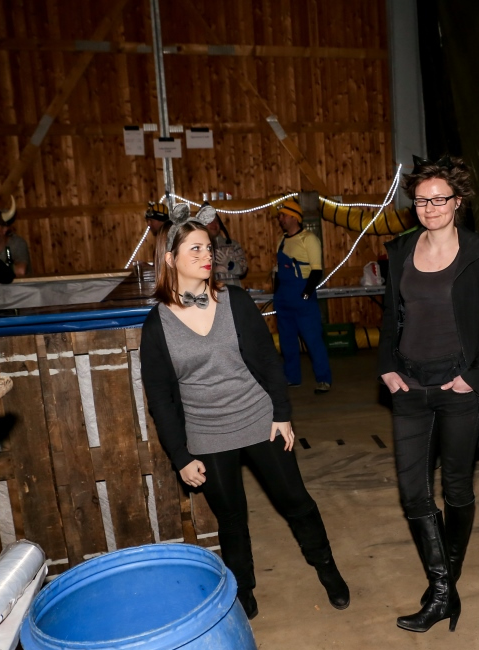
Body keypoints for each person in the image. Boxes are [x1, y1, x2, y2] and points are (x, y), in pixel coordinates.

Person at [140, 202, 349, 620]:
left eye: (208, 248)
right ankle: (244, 590)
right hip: (207, 432)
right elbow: (159, 398)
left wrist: (282, 413)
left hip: (258, 419)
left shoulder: (234, 301)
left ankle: (327, 568)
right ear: (170, 259)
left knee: (295, 501)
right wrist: (181, 455)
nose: (206, 256)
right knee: (232, 518)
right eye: (195, 249)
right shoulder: (157, 325)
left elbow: (269, 362)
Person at [378, 155, 479, 633]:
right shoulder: (399, 251)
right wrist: (386, 366)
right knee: (413, 491)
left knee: (456, 488)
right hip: (410, 386)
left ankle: (441, 588)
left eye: (439, 200)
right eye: (421, 201)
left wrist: (475, 374)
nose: (430, 208)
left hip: (458, 387)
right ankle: (444, 591)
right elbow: (390, 316)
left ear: (457, 202)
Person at [273, 197, 332, 393]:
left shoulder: (309, 239)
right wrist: (276, 294)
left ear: (294, 217)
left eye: (283, 215)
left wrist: (306, 294)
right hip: (283, 298)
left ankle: (323, 379)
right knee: (287, 341)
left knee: (313, 340)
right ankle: (292, 377)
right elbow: (278, 271)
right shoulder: (281, 241)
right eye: (280, 216)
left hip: (302, 297)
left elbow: (316, 271)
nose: (280, 218)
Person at [202, 208, 248, 288]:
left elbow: (243, 269)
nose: (214, 224)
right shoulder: (199, 248)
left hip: (233, 292)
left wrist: (228, 263)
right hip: (209, 292)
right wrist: (213, 270)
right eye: (210, 221)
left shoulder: (233, 245)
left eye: (216, 221)